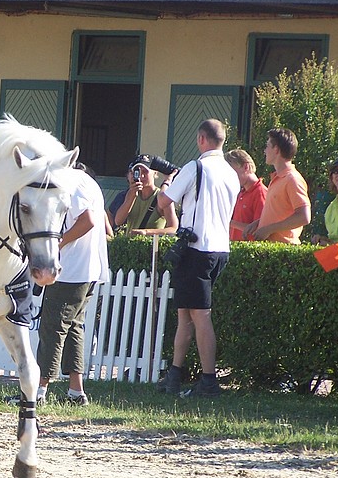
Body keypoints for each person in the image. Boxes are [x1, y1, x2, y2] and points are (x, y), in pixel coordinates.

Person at [157, 119, 240, 397]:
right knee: (186, 313)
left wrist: (168, 180)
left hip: (197, 249)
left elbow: (163, 202)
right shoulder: (231, 173)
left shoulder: (196, 167)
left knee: (200, 315)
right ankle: (175, 375)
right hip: (219, 248)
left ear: (201, 139)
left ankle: (208, 380)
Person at [35, 164, 110, 406]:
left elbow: (86, 221)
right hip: (89, 268)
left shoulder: (72, 183)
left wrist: (57, 243)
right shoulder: (89, 182)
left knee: (52, 327)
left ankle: (38, 390)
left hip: (72, 268)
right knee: (74, 327)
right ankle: (76, 392)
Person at [244, 128, 310, 243]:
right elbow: (279, 213)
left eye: (267, 146)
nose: (264, 151)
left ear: (276, 149)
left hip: (284, 250)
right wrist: (258, 223)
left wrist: (269, 229)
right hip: (273, 249)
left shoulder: (292, 179)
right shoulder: (277, 178)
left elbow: (304, 217)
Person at [109, 155, 178, 235]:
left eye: (145, 172)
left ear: (155, 173)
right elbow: (118, 221)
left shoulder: (162, 197)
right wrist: (131, 196)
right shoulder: (131, 193)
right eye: (137, 172)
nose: (141, 176)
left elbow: (173, 228)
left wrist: (146, 232)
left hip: (151, 246)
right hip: (131, 246)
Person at [226, 149, 267, 241]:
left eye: (233, 172)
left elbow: (260, 229)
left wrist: (228, 222)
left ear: (246, 167)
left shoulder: (260, 192)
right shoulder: (241, 192)